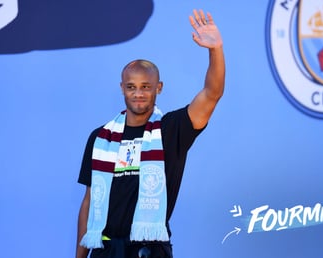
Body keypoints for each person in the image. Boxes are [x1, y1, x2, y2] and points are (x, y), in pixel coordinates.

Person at [75, 9, 224, 258]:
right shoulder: (100, 138)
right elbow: (88, 202)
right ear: (122, 88)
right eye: (131, 87)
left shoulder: (171, 129)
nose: (138, 93)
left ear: (159, 88)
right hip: (105, 250)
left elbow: (212, 93)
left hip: (150, 251)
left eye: (146, 87)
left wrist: (215, 50)